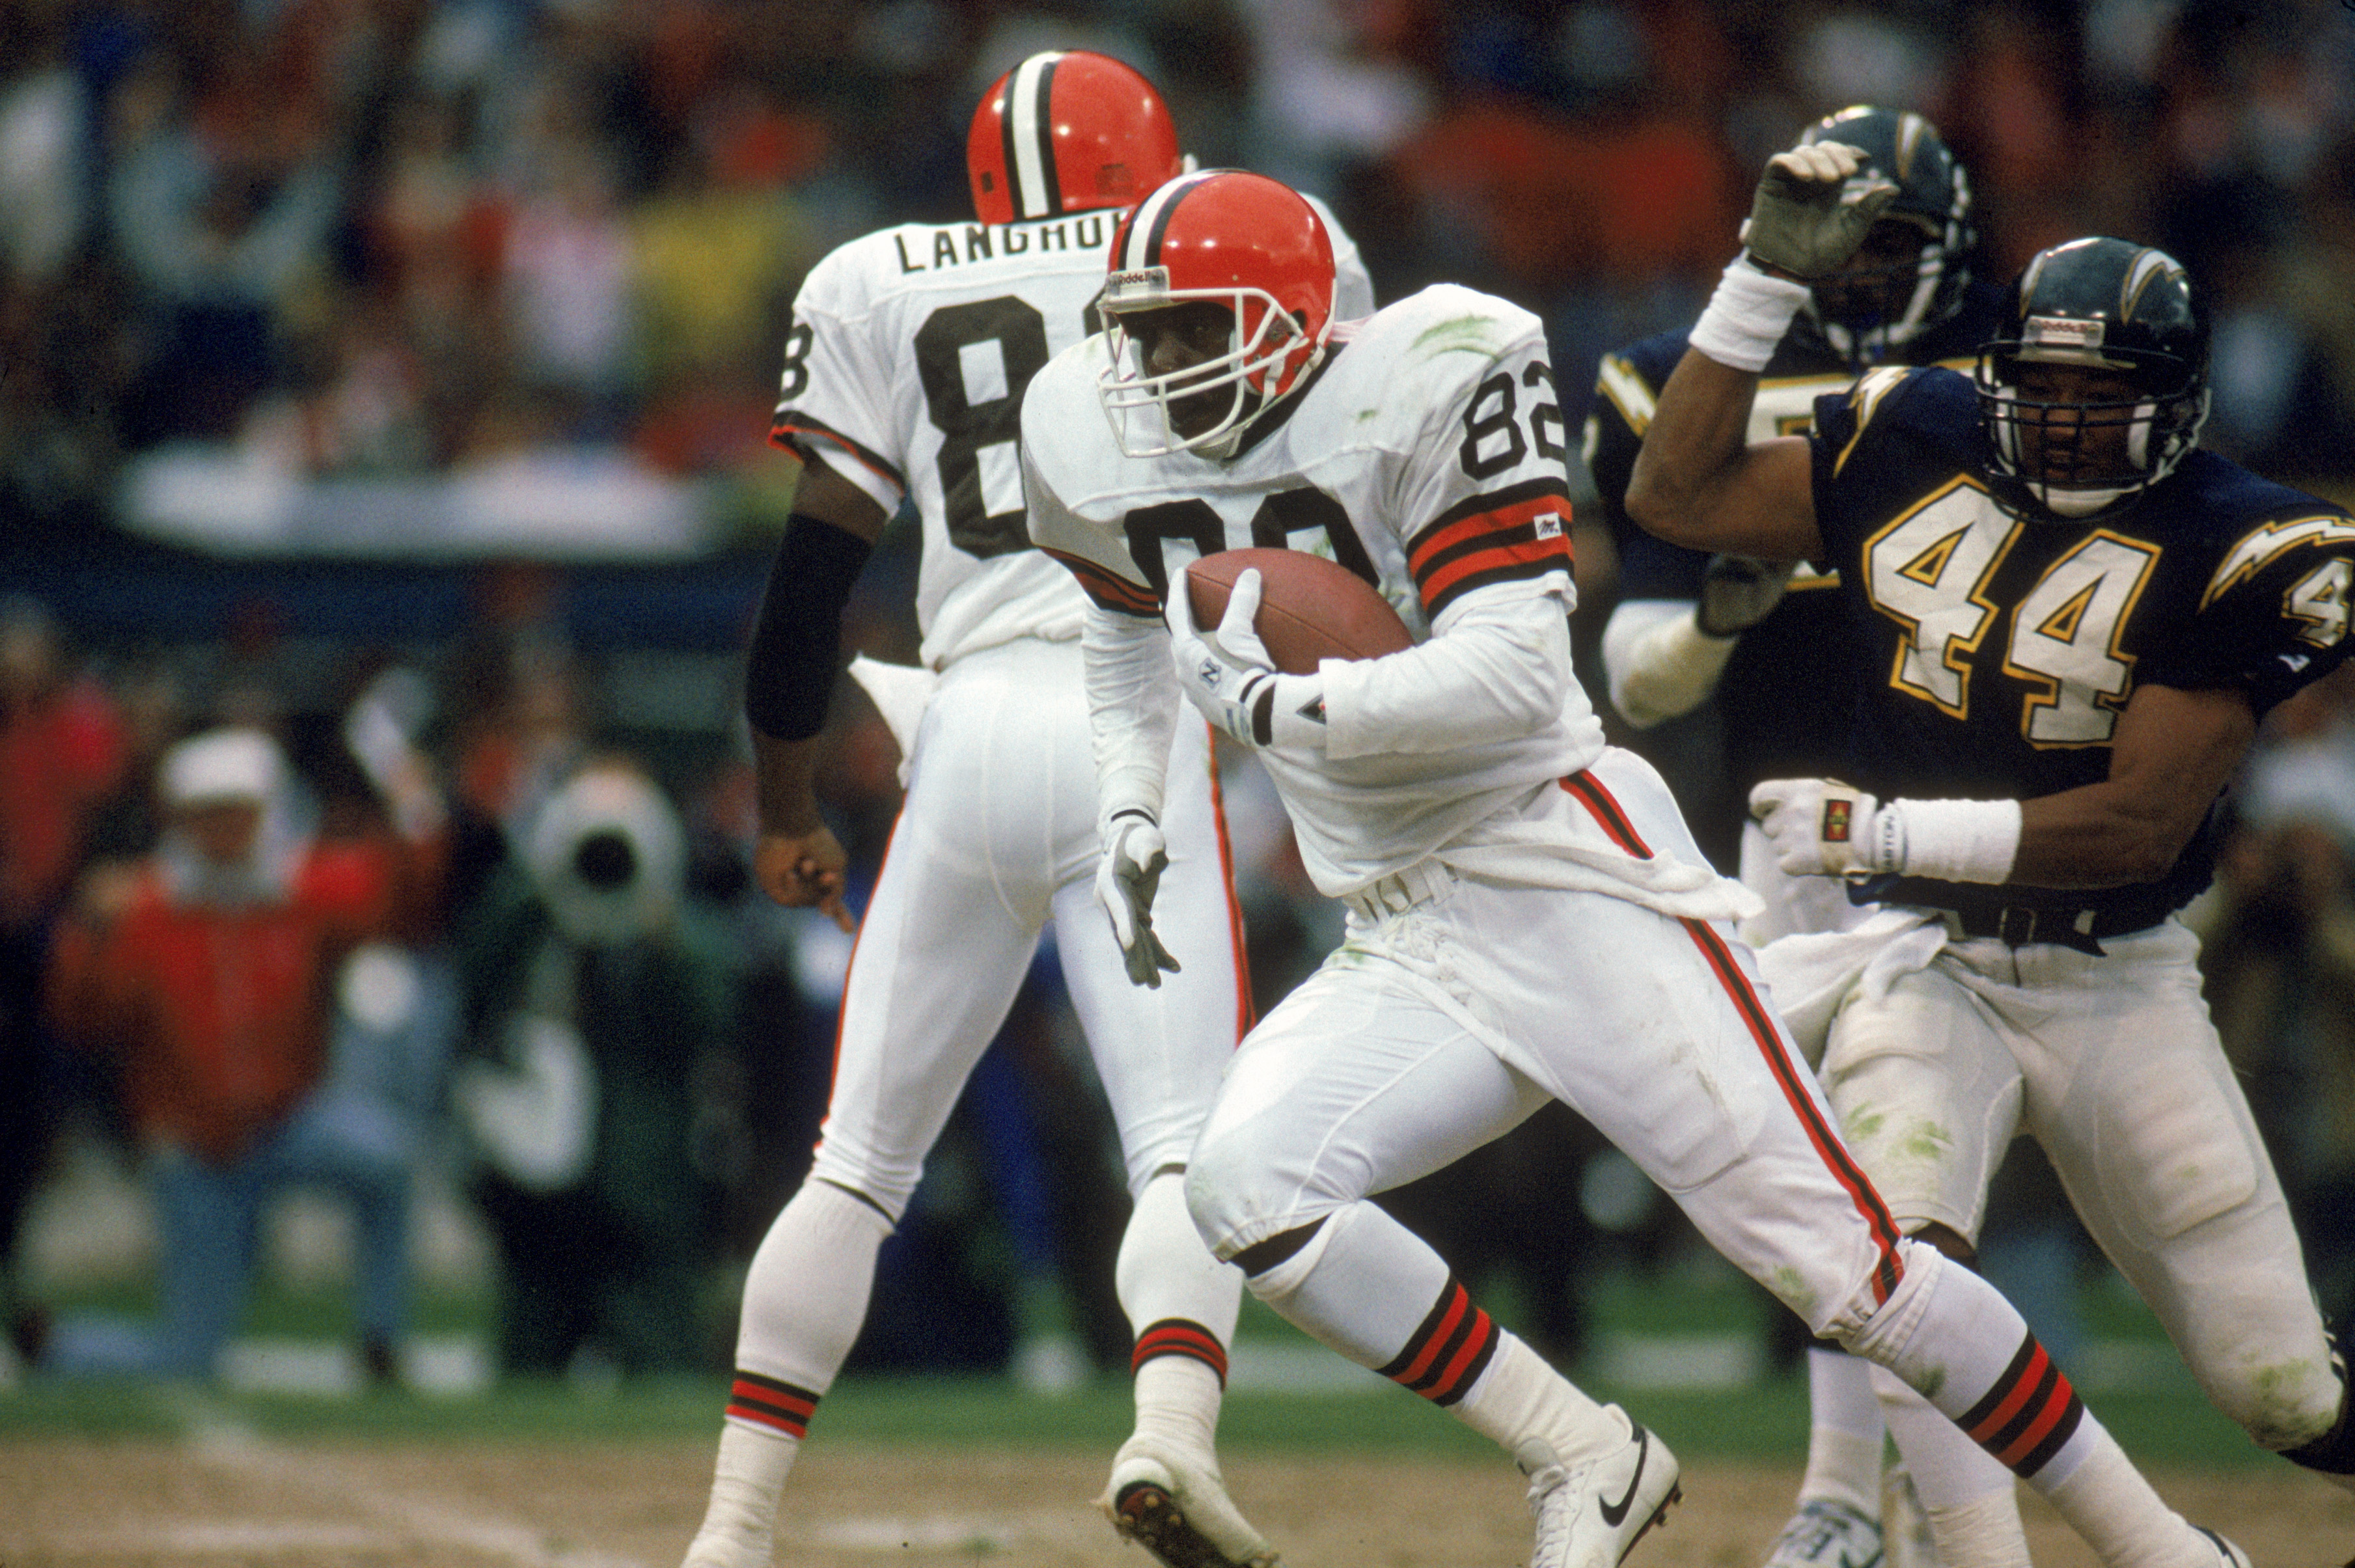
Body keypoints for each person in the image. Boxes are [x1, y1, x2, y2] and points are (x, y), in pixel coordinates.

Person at [1023, 165, 2249, 1568]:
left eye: (1199, 328)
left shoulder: (1433, 374)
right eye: (1150, 331)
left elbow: (1509, 675)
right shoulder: (1090, 433)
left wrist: (1276, 712)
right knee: (1247, 1188)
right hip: (1404, 919)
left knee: (1861, 1281)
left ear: (1299, 319)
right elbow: (1125, 616)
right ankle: (1587, 1455)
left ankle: (2159, 1543)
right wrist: (1132, 803)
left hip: (1565, 872)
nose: (1164, 365)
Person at [678, 50, 1374, 1568]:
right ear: (1155, 159)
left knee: (853, 1165)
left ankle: (729, 1533)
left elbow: (808, 589)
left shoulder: (877, 278)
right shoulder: (1217, 246)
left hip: (964, 721)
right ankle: (1168, 1440)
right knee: (1182, 1149)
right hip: (1130, 717)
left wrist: (788, 805)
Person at [1625, 138, 2355, 1567]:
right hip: (1922, 955)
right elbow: (1677, 494)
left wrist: (1880, 826)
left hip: (2116, 979)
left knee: (2275, 1382)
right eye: (2051, 389)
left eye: (2107, 396)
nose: (2071, 424)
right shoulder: (1914, 425)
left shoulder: (2245, 541)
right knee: (1898, 1268)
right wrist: (1760, 278)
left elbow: (2139, 824)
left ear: (2182, 401)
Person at [1587, 106, 2004, 1568]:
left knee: (1949, 1191)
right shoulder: (1707, 387)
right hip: (1803, 831)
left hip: (2001, 831)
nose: (1866, 268)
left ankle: (1918, 1500)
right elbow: (1633, 666)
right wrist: (1719, 619)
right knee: (1849, 1177)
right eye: (1850, 238)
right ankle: (1858, 1492)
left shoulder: (2032, 374)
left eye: (1895, 240)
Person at [44, 717, 445, 1383]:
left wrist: (412, 804)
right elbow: (85, 1017)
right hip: (197, 1145)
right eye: (208, 817)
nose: (226, 832)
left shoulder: (298, 891)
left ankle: (381, 1338)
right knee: (189, 1356)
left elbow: (401, 892)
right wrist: (89, 931)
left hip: (290, 1119)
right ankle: (57, 1344)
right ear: (181, 824)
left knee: (388, 1161)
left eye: (239, 815)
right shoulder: (146, 909)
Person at [453, 754, 736, 1380]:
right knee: (528, 1373)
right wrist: (540, 895)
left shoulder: (681, 939)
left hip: (645, 1191)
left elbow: (713, 1021)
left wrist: (661, 933)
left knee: (664, 1371)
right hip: (539, 1195)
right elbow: (475, 1001)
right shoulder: (524, 920)